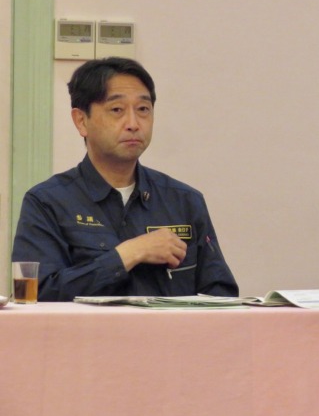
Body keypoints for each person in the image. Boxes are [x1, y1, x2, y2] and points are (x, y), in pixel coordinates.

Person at [12, 57, 238, 301]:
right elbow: (37, 295)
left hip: (168, 328)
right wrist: (128, 254)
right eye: (117, 110)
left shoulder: (184, 201)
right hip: (88, 328)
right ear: (81, 121)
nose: (133, 124)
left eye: (143, 109)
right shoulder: (47, 202)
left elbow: (221, 296)